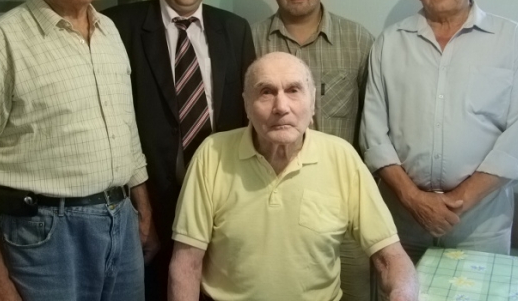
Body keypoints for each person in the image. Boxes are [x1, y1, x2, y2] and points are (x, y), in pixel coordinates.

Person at [0, 0, 157, 301]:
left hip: (121, 222)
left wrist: (142, 208)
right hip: (44, 236)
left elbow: (126, 130)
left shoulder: (109, 31)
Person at [168, 52, 418, 301]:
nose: (281, 107)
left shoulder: (342, 157)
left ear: (312, 103)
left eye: (293, 90)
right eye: (266, 92)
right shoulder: (212, 155)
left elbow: (390, 258)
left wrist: (403, 293)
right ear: (246, 105)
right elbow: (186, 263)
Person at [103, 0, 256, 300]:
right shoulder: (119, 26)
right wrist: (139, 207)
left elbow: (248, 117)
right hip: (148, 205)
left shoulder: (234, 30)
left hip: (221, 201)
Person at [361, 0, 518, 263]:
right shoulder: (389, 43)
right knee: (400, 289)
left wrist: (460, 200)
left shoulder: (512, 41)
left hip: (480, 223)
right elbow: (373, 133)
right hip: (402, 219)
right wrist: (413, 199)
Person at [251, 0, 375, 301]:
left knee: (354, 291)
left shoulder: (358, 40)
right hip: (271, 202)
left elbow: (373, 122)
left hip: (343, 201)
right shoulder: (251, 41)